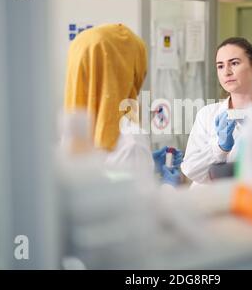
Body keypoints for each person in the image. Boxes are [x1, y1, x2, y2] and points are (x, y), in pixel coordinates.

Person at [62, 23, 181, 184]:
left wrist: (145, 166)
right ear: (126, 73)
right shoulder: (131, 141)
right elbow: (140, 207)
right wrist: (168, 186)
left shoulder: (71, 134)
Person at [181, 37, 252, 185]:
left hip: (251, 204)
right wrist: (219, 148)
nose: (226, 72)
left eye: (234, 63)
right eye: (220, 66)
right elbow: (190, 170)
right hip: (206, 203)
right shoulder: (206, 115)